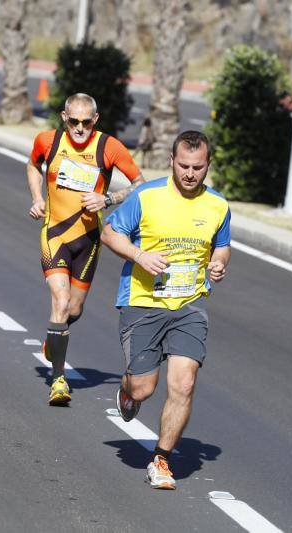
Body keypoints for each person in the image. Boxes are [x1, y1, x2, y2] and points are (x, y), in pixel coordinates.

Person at [100, 130, 231, 490]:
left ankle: (161, 460)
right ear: (172, 161)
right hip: (143, 302)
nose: (190, 173)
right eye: (184, 165)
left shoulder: (218, 206)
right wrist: (139, 255)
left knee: (184, 383)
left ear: (208, 165)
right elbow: (109, 233)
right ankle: (128, 389)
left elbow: (222, 245)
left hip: (189, 303)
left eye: (198, 167)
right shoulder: (147, 196)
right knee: (143, 389)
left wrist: (219, 263)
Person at [27, 93, 145, 405]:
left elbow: (140, 183)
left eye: (86, 122)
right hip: (54, 235)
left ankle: (55, 334)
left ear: (96, 120)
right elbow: (33, 164)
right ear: (64, 117)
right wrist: (37, 198)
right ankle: (58, 380)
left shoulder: (108, 147)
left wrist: (108, 199)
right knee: (61, 300)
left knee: (73, 309)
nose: (80, 128)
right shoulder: (48, 141)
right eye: (74, 122)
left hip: (89, 239)